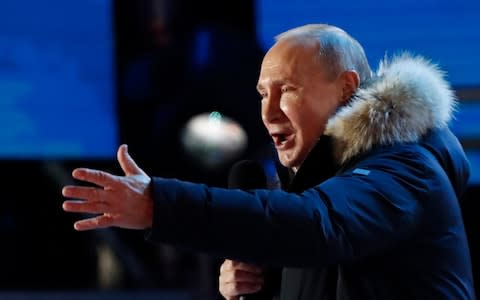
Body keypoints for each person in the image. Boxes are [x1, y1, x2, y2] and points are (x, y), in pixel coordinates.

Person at [62, 24, 476, 299]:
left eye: (288, 90)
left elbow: (320, 225)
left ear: (347, 88)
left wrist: (159, 204)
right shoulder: (308, 188)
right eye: (263, 94)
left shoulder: (405, 171)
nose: (269, 111)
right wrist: (263, 286)